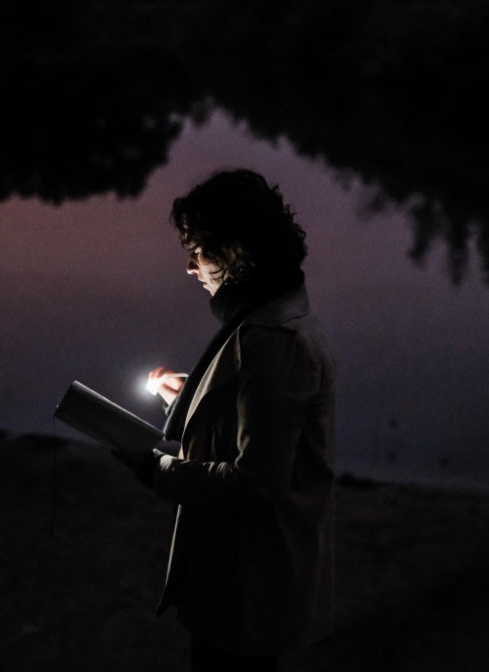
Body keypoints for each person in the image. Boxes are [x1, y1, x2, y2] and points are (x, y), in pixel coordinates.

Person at [112, 168, 335, 671]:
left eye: (199, 250)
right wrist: (188, 398)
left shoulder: (275, 341)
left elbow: (256, 481)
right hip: (235, 577)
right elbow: (251, 417)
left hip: (249, 581)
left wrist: (155, 469)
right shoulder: (263, 323)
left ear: (236, 251)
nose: (191, 267)